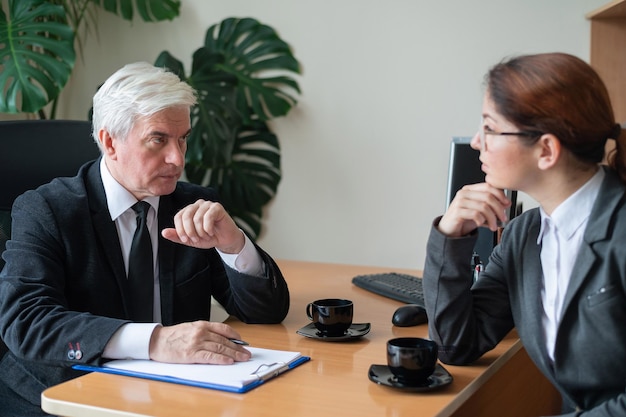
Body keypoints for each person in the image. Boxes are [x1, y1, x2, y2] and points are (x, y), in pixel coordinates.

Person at [0, 62, 290, 416]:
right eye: (159, 140)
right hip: (60, 397)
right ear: (110, 142)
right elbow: (26, 322)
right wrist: (156, 340)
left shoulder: (191, 205)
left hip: (166, 396)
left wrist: (234, 245)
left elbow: (266, 313)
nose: (177, 158)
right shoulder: (47, 210)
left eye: (183, 139)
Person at [423, 52, 626, 416]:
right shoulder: (523, 236)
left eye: (489, 127)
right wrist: (450, 235)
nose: (475, 142)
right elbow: (455, 345)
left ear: (546, 149)